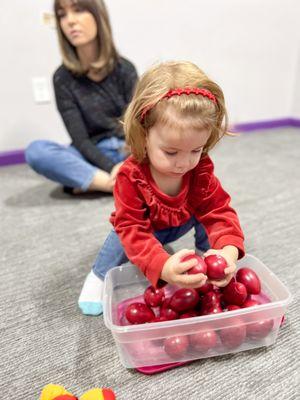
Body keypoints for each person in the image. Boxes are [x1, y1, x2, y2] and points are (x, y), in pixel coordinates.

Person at [78, 60, 245, 315]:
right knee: (121, 236)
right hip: (146, 228)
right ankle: (98, 276)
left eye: (196, 150)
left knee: (205, 208)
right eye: (170, 151)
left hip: (183, 219)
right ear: (144, 135)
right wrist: (163, 266)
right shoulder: (130, 176)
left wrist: (226, 253)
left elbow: (219, 211)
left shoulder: (198, 169)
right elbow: (133, 228)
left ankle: (205, 252)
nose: (183, 163)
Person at [25, 0, 138, 194]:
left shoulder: (125, 69)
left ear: (98, 15)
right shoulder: (61, 78)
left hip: (127, 150)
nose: (69, 21)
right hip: (91, 152)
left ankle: (89, 181)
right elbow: (81, 140)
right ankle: (116, 184)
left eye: (78, 10)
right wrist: (111, 168)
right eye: (62, 14)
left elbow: (139, 126)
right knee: (37, 151)